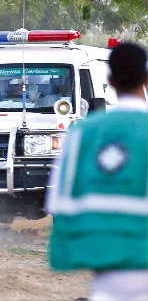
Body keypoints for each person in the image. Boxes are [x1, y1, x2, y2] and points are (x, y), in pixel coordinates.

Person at [47, 42, 148, 300]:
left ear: (111, 81)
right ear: (146, 79)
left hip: (106, 275)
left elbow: (58, 202)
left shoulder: (81, 132)